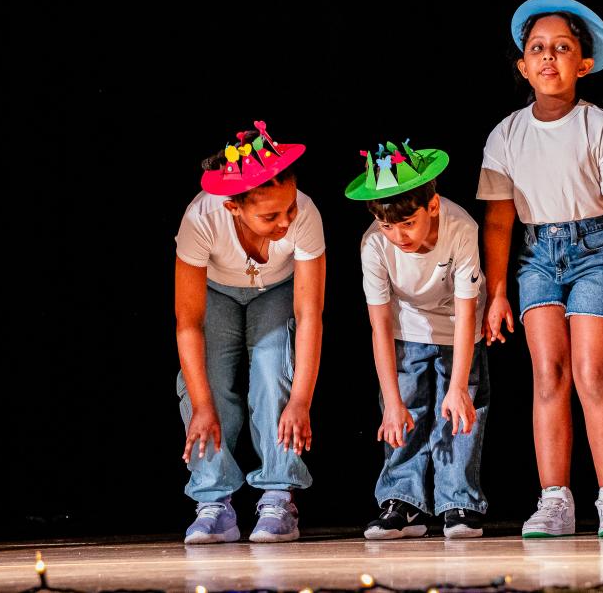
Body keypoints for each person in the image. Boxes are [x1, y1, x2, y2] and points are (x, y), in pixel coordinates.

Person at [477, 0, 603, 538]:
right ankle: (554, 499)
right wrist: (498, 291)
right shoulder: (505, 135)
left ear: (584, 63)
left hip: (598, 250)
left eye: (562, 48)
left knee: (592, 373)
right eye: (538, 49)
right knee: (548, 375)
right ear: (522, 66)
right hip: (536, 257)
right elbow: (500, 224)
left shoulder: (602, 127)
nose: (549, 57)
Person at [174, 121, 326, 543]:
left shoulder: (306, 215)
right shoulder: (201, 218)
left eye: (290, 208)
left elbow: (309, 312)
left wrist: (301, 399)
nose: (285, 222)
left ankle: (279, 495)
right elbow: (188, 323)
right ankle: (214, 502)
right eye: (270, 215)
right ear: (233, 207)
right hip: (217, 291)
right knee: (205, 384)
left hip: (277, 289)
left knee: (274, 370)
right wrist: (203, 404)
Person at [346, 141, 489, 539]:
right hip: (405, 329)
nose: (398, 235)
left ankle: (458, 500)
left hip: (459, 327)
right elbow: (379, 326)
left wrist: (458, 386)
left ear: (433, 206)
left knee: (459, 410)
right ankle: (404, 501)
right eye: (387, 225)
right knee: (404, 409)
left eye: (407, 222)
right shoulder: (374, 244)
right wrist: (391, 402)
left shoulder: (461, 229)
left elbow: (465, 311)